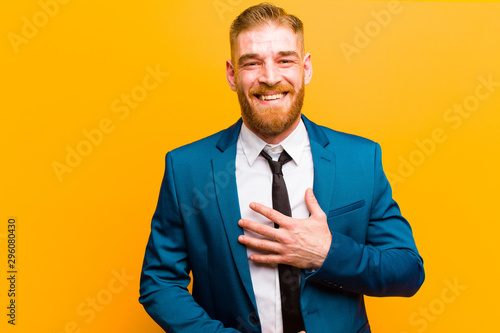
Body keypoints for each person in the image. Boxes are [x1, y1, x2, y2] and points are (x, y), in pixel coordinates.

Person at [139, 3, 424, 333]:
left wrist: (325, 253)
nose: (270, 77)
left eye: (284, 60)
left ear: (306, 68)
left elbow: (407, 271)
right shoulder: (186, 168)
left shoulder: (360, 159)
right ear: (233, 74)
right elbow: (159, 284)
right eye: (252, 63)